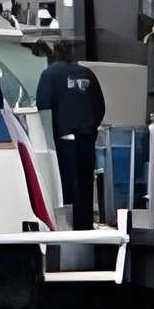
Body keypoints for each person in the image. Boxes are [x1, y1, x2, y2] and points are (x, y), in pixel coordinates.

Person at [34, 42, 107, 231]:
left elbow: (43, 107)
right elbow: (100, 106)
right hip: (86, 138)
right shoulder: (87, 74)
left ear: (54, 55)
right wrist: (90, 127)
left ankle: (67, 227)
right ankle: (85, 226)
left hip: (62, 140)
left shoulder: (49, 75)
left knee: (65, 185)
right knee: (85, 185)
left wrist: (49, 135)